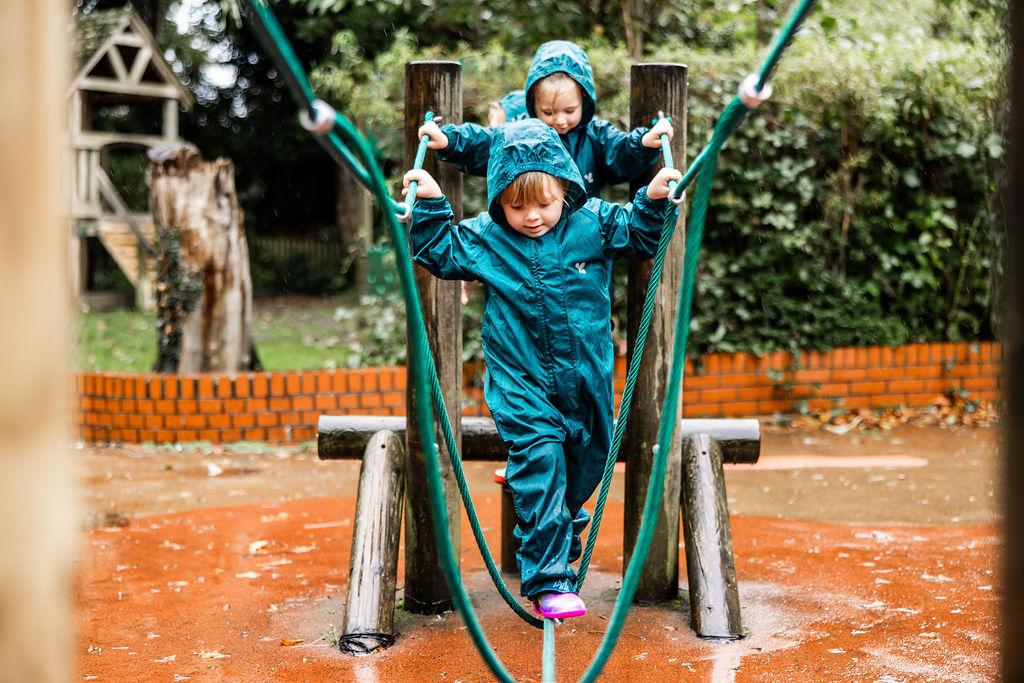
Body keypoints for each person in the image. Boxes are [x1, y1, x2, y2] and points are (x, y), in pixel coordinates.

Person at [402, 119, 682, 619]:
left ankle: (559, 523)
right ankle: (549, 579)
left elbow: (641, 235)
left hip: (586, 377)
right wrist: (428, 203)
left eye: (544, 204)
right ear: (499, 202)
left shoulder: (593, 222)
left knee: (588, 459)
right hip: (521, 379)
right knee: (541, 457)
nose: (532, 217)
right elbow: (439, 250)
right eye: (516, 207)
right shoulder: (489, 238)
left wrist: (655, 198)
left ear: (565, 191)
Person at [418, 40, 673, 198]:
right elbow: (484, 142)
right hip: (530, 237)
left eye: (569, 111)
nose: (559, 121)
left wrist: (645, 142)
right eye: (548, 113)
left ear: (584, 101)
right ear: (533, 105)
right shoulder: (522, 134)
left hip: (581, 245)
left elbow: (622, 153)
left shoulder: (596, 135)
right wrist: (448, 140)